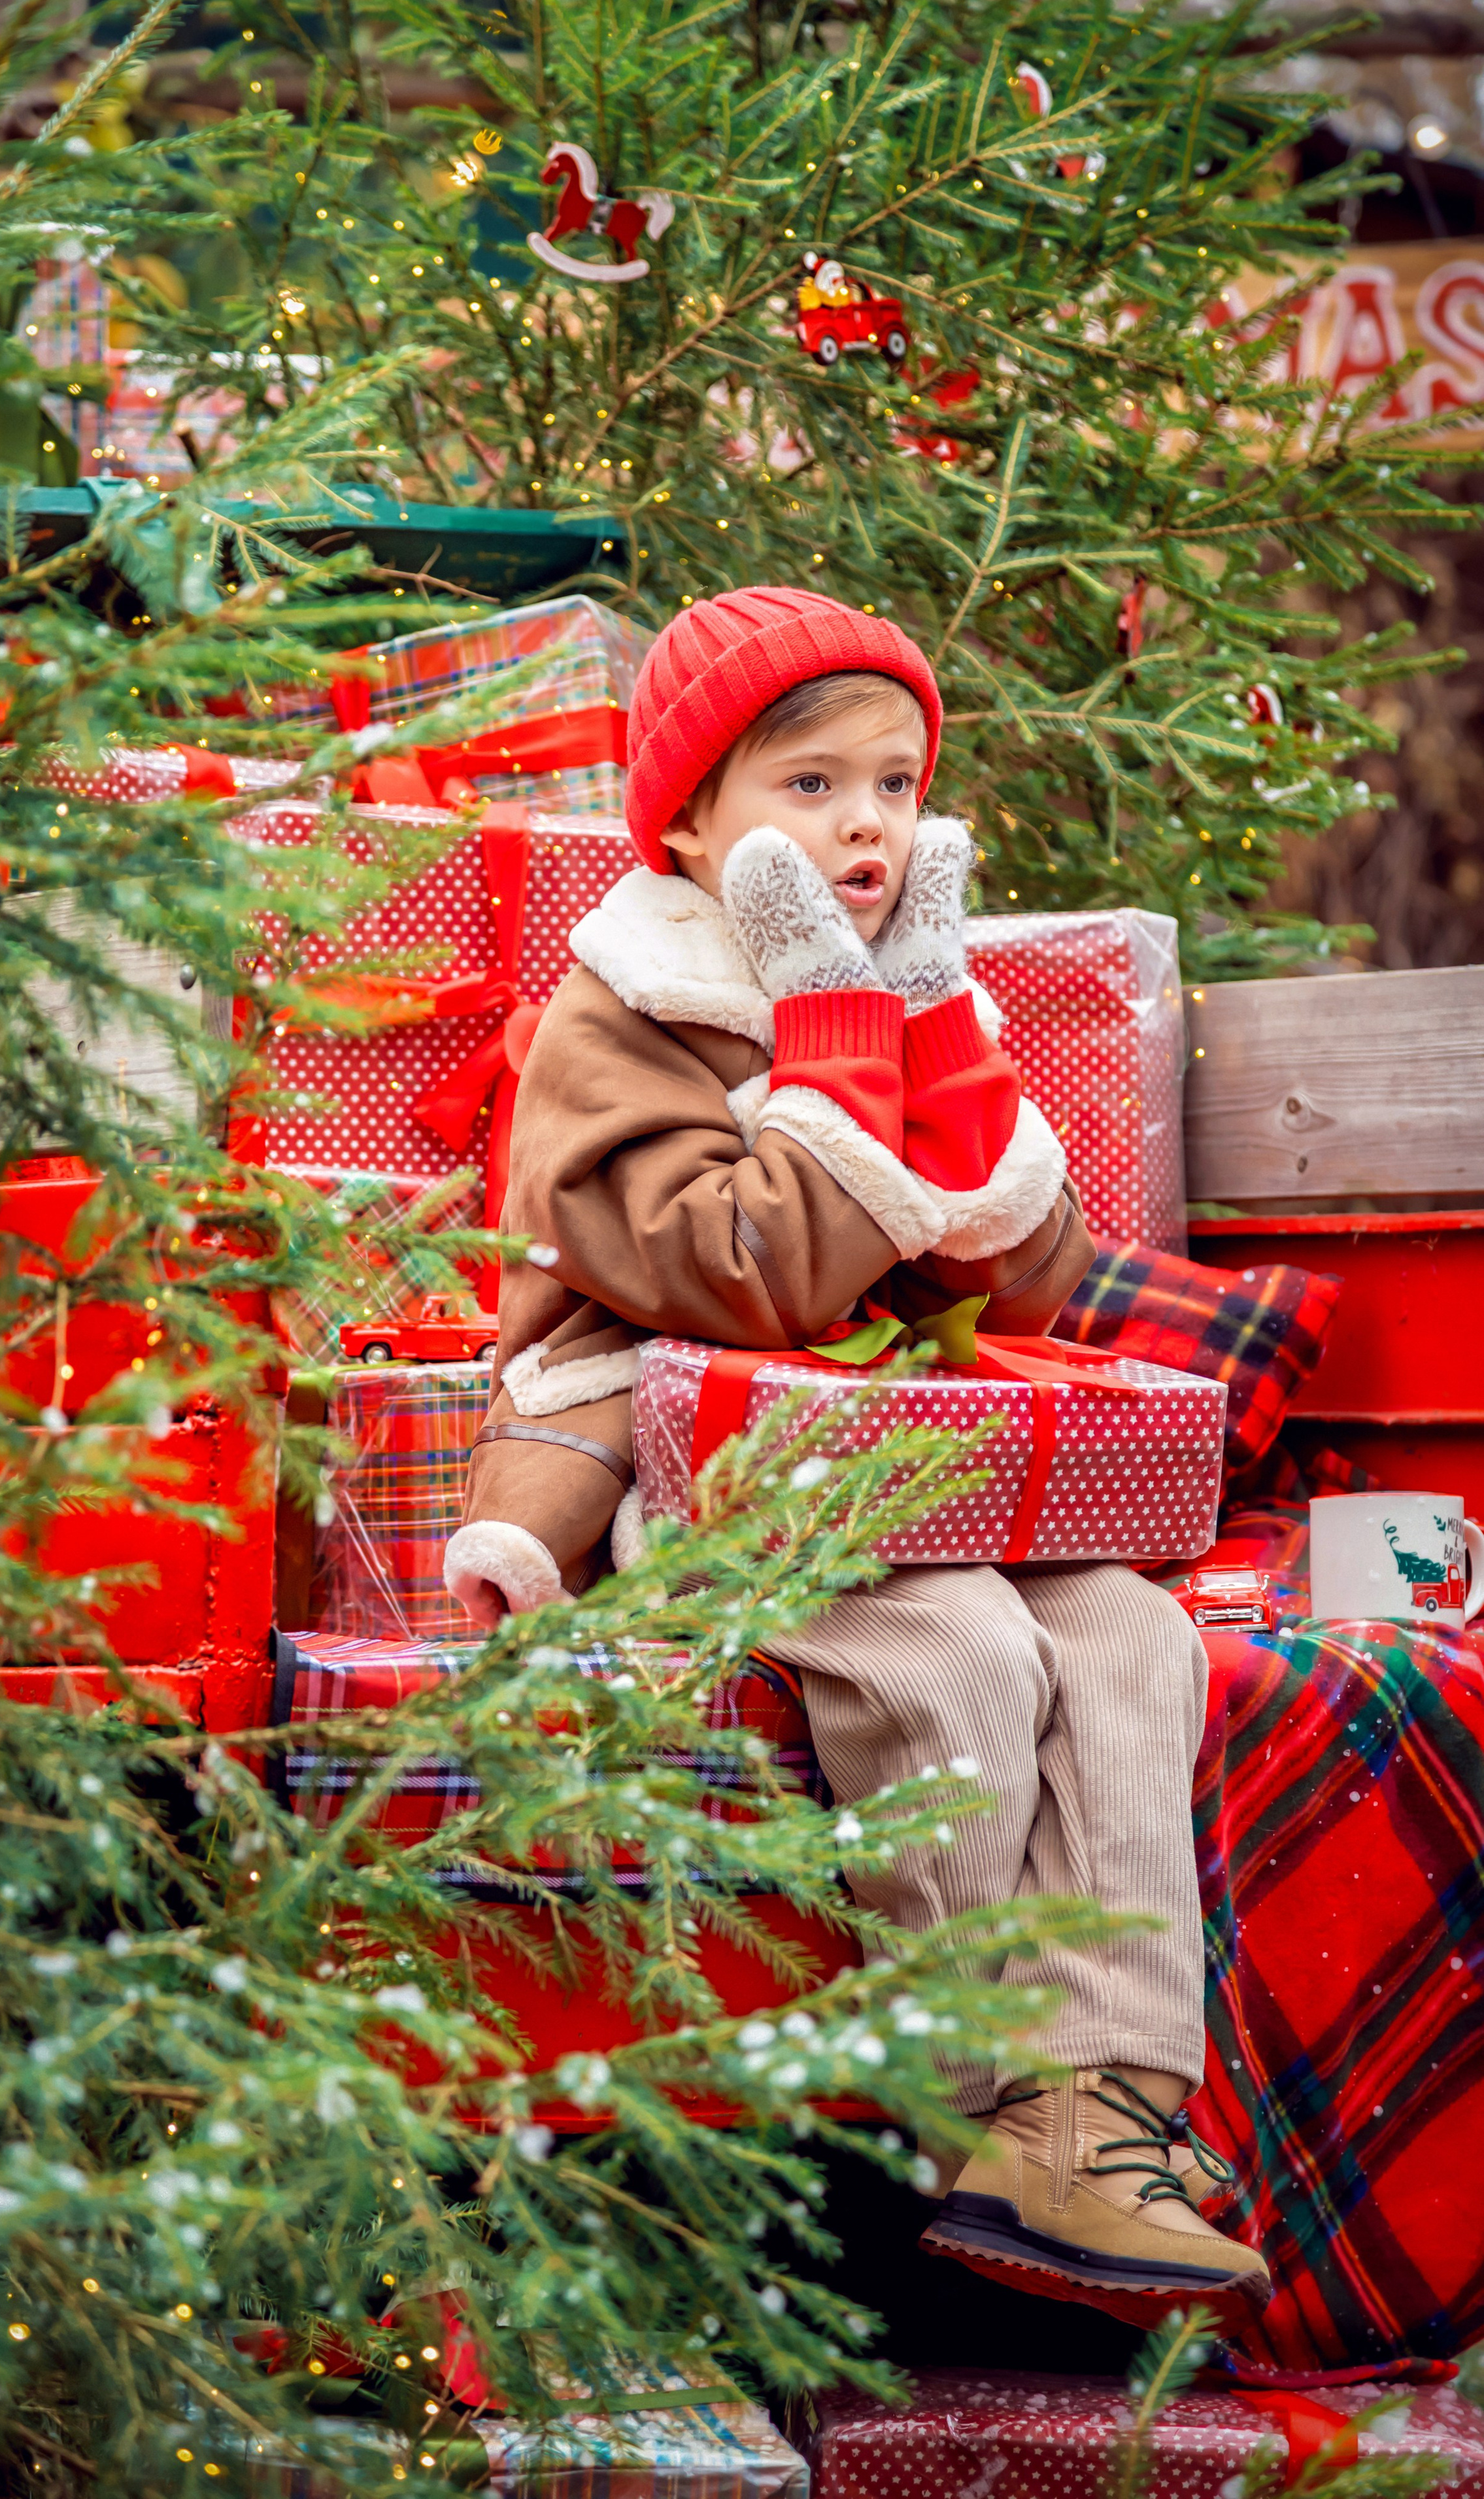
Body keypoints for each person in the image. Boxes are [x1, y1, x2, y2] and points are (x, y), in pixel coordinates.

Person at [443, 585, 1269, 2334]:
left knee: (1130, 1638)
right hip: (711, 1461)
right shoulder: (629, 1007)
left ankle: (1100, 2108)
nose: (867, 828)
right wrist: (832, 1046)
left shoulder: (904, 987)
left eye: (895, 786)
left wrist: (940, 1043)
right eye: (809, 787)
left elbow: (1022, 1279)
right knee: (955, 1651)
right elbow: (745, 1274)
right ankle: (961, 2091)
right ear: (689, 822)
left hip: (927, 1450)